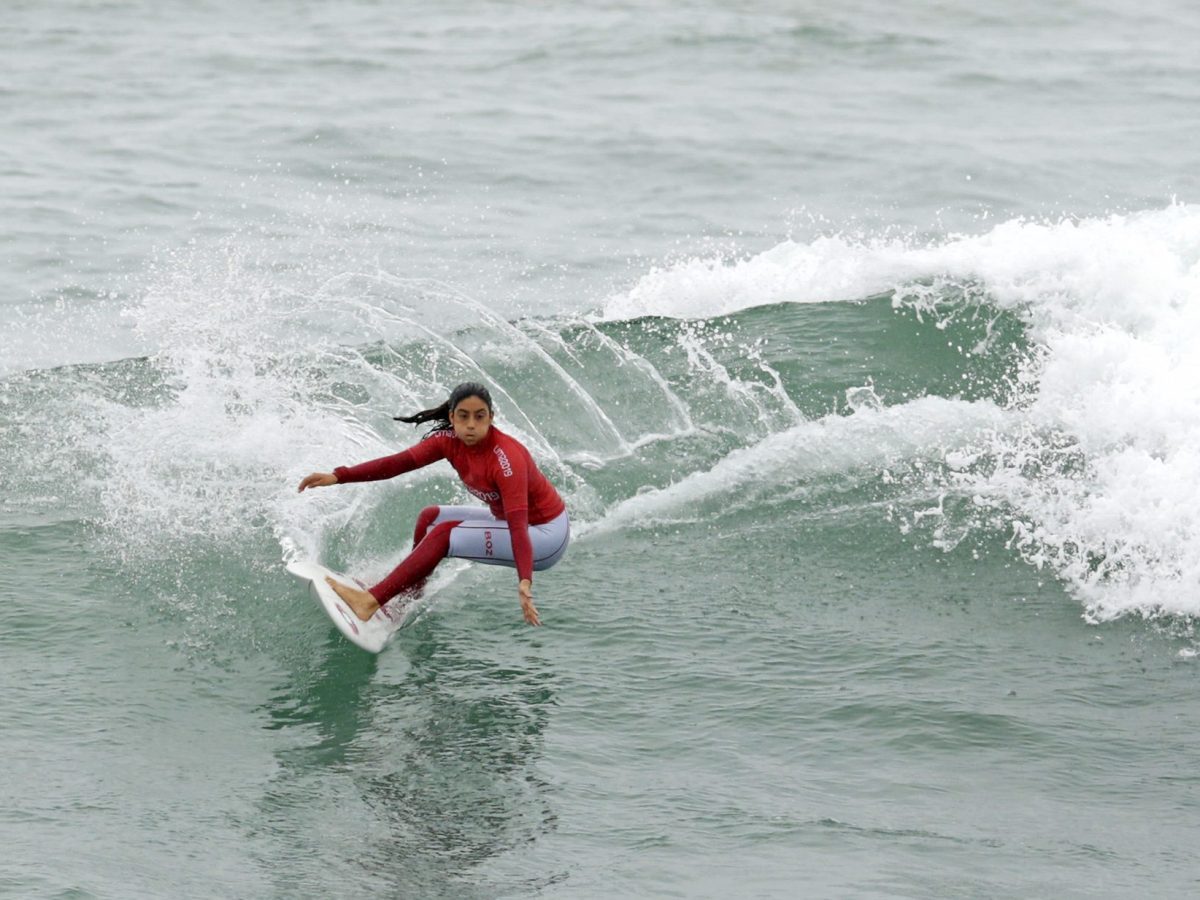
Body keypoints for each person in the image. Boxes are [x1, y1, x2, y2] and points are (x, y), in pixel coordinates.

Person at [297, 382, 569, 626]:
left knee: (445, 533)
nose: (471, 424)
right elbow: (395, 464)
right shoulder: (448, 442)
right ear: (451, 417)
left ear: (491, 418)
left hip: (544, 537)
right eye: (463, 416)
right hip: (510, 522)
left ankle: (369, 602)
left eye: (479, 416)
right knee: (430, 518)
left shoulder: (506, 460)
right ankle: (408, 594)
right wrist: (339, 476)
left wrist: (524, 581)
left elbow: (519, 528)